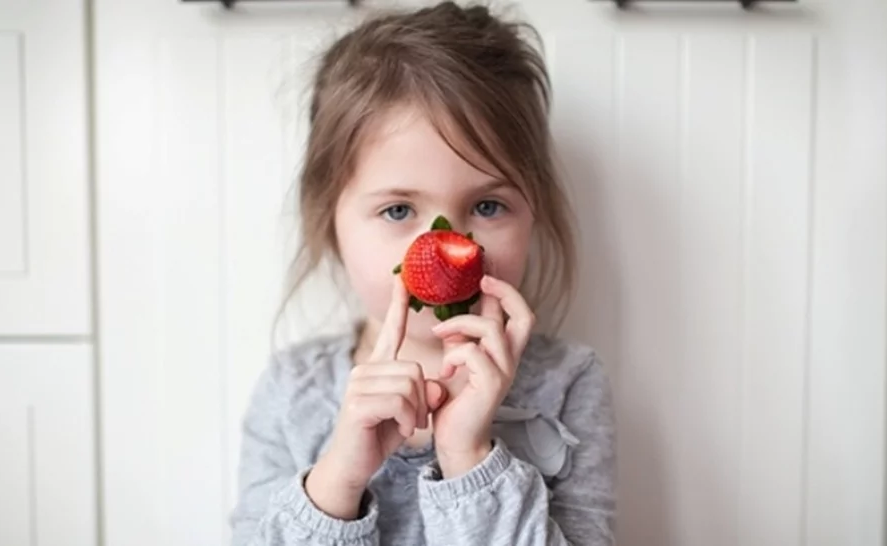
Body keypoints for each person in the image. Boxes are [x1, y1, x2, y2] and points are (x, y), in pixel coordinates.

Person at [229, 2, 615, 544]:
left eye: (487, 207)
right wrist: (338, 481)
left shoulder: (568, 385)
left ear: (535, 212)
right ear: (330, 220)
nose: (447, 246)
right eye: (397, 211)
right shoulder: (293, 395)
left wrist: (469, 458)